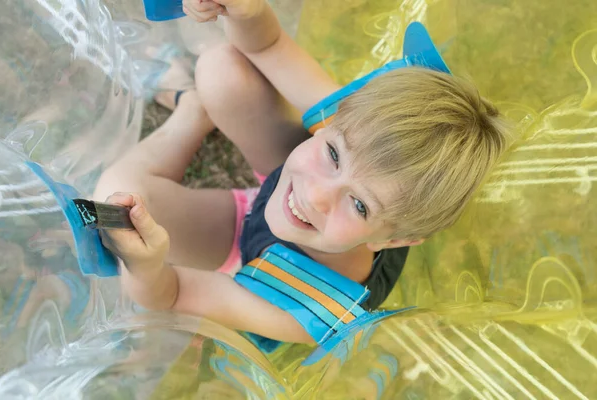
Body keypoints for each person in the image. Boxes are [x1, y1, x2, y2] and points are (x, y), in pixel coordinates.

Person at [94, 0, 511, 344]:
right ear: (335, 122)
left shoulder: (308, 307)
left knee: (112, 201)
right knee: (220, 68)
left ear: (395, 240)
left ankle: (190, 112)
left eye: (360, 205)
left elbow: (173, 292)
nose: (317, 195)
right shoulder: (360, 129)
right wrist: (247, 11)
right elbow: (268, 45)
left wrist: (145, 267)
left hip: (256, 256)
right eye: (332, 153)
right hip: (278, 187)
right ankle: (197, 109)